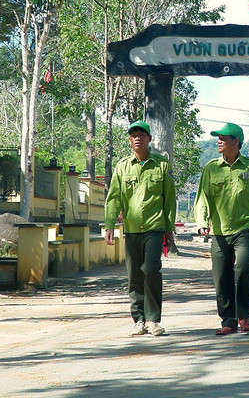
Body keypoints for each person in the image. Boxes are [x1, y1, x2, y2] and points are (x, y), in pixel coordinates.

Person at [196, 122, 249, 336]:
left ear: (236, 141)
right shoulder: (210, 168)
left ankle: (244, 316)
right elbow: (202, 198)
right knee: (221, 276)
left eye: (223, 138)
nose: (218, 141)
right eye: (218, 138)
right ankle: (228, 320)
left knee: (244, 268)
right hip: (219, 231)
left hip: (245, 228)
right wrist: (202, 222)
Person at [104, 120, 176, 337]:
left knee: (151, 270)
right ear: (129, 140)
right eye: (133, 134)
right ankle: (139, 320)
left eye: (142, 134)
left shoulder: (162, 165)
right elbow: (114, 197)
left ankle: (153, 319)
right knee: (134, 274)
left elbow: (169, 200)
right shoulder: (122, 166)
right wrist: (109, 224)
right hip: (132, 229)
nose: (137, 138)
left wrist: (169, 229)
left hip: (155, 227)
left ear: (149, 139)